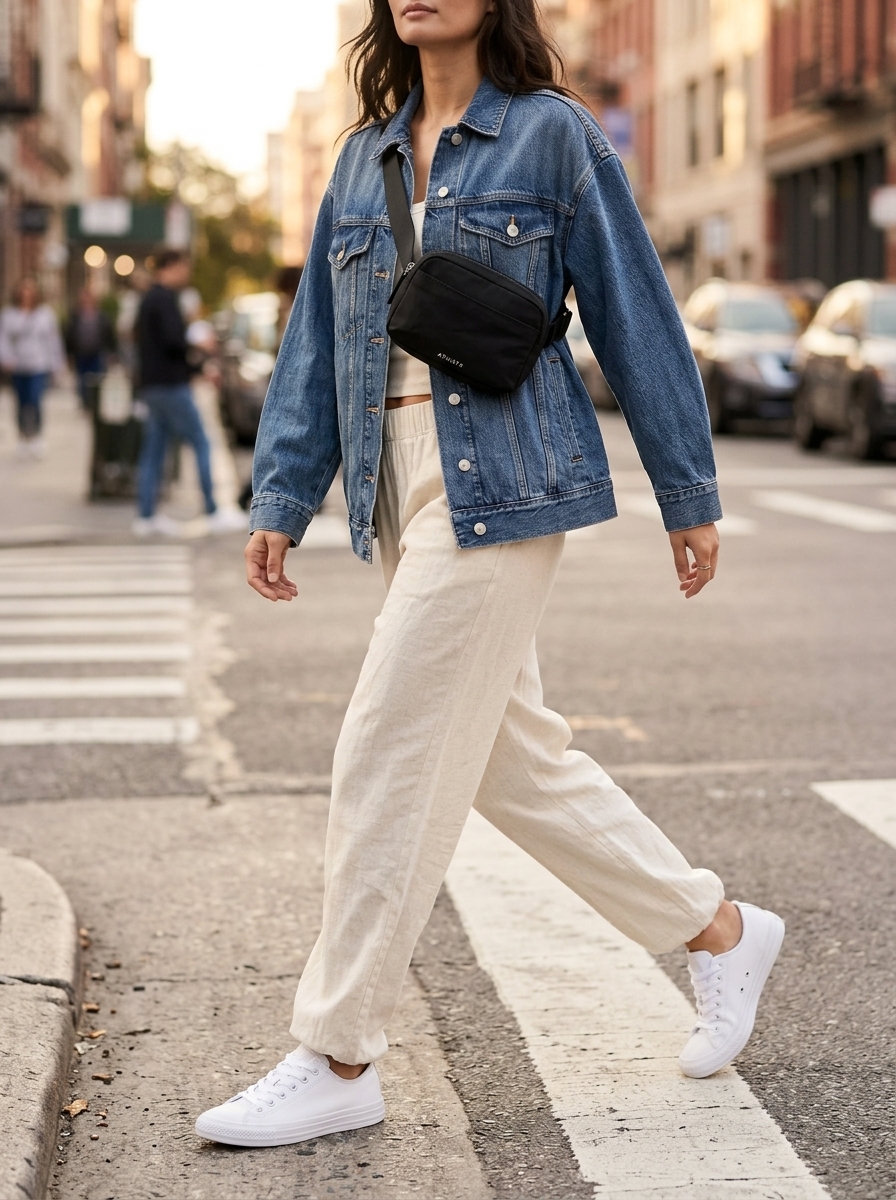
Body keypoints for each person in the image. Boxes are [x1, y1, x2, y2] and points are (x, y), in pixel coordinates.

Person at [196, 0, 785, 1148]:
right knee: (513, 761)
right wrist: (282, 493)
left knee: (385, 744)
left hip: (506, 474)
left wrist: (688, 492)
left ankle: (339, 1051)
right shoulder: (362, 159)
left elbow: (635, 314)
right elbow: (318, 339)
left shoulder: (552, 136)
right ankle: (715, 929)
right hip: (389, 480)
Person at [133, 248, 244, 536]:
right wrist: (199, 350)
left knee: (154, 450)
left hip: (153, 385)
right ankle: (212, 509)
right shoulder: (164, 299)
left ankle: (146, 516)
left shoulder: (148, 299)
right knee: (200, 441)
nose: (186, 274)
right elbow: (172, 344)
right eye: (183, 268)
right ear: (169, 267)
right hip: (170, 385)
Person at [0, 277, 64, 457]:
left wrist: (57, 364)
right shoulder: (9, 314)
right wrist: (6, 358)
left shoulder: (45, 314)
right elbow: (3, 339)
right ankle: (22, 437)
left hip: (38, 364)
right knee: (20, 403)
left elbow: (53, 341)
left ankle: (37, 436)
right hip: (18, 366)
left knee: (36, 401)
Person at [64, 286, 116, 412]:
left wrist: (112, 353)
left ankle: (94, 402)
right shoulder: (75, 316)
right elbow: (69, 336)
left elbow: (110, 335)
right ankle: (85, 403)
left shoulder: (102, 317)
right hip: (80, 353)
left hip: (97, 353)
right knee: (82, 380)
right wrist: (68, 354)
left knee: (97, 379)